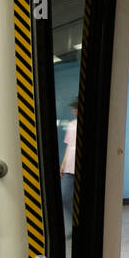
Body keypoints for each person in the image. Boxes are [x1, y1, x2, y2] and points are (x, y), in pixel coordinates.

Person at [59, 98, 77, 236]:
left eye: (75, 107)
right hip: (69, 168)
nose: (74, 110)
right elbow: (69, 146)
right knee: (65, 196)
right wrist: (63, 165)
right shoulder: (71, 125)